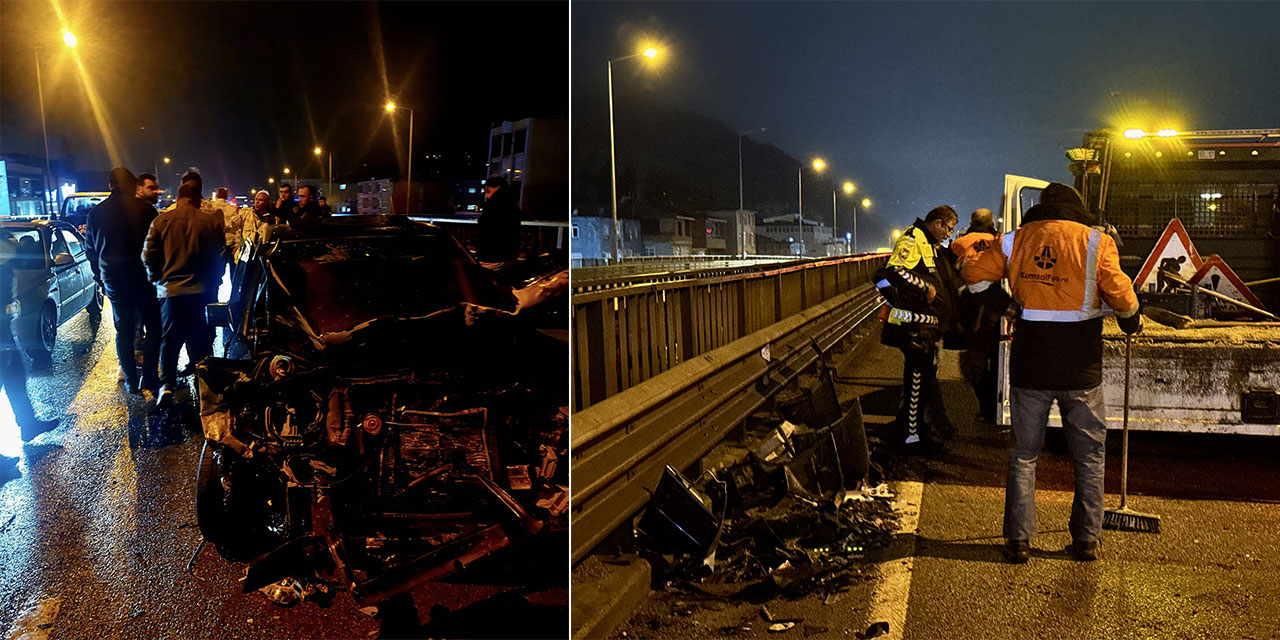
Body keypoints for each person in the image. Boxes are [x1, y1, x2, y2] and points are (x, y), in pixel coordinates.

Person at [962, 183, 1142, 564]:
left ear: (1041, 208)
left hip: (1031, 365)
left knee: (1024, 456)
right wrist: (1130, 320)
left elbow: (973, 275)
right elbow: (1120, 293)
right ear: (1076, 209)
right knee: (1090, 456)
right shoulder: (1096, 240)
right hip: (1081, 368)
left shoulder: (1015, 240)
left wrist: (1005, 303)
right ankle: (1086, 541)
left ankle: (1018, 541)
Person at [874, 205, 960, 455]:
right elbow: (895, 271)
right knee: (915, 384)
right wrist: (926, 288)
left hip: (927, 327)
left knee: (921, 386)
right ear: (937, 223)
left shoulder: (929, 244)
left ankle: (917, 432)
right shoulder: (914, 239)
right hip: (916, 327)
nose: (948, 235)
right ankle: (911, 439)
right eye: (948, 229)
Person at [143, 177, 225, 409]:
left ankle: (167, 385)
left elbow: (149, 255)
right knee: (201, 340)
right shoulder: (208, 221)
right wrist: (214, 281)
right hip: (201, 291)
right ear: (197, 198)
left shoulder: (161, 221)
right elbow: (218, 256)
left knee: (169, 340)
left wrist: (158, 280)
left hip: (170, 292)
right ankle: (206, 390)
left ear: (178, 199)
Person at [87, 166, 163, 393]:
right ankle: (149, 376)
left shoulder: (95, 213)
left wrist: (100, 278)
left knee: (124, 330)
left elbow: (91, 250)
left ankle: (130, 380)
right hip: (143, 278)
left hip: (113, 278)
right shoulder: (147, 210)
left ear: (110, 185)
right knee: (154, 327)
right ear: (131, 185)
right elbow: (157, 247)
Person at [0, 237, 60, 443]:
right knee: (11, 374)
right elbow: (17, 256)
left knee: (15, 374)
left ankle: (28, 423)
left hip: (3, 326)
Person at [950, 208, 1005, 423]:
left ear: (972, 222)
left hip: (972, 311)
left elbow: (950, 274)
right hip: (998, 306)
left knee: (976, 362)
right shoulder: (1000, 240)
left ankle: (986, 407)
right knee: (1000, 359)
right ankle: (999, 404)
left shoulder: (960, 243)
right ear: (992, 222)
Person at [475, 176, 521, 270]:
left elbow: (485, 232)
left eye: (488, 192)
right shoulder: (513, 206)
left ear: (498, 188)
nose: (486, 196)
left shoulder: (493, 207)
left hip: (492, 258)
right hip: (509, 256)